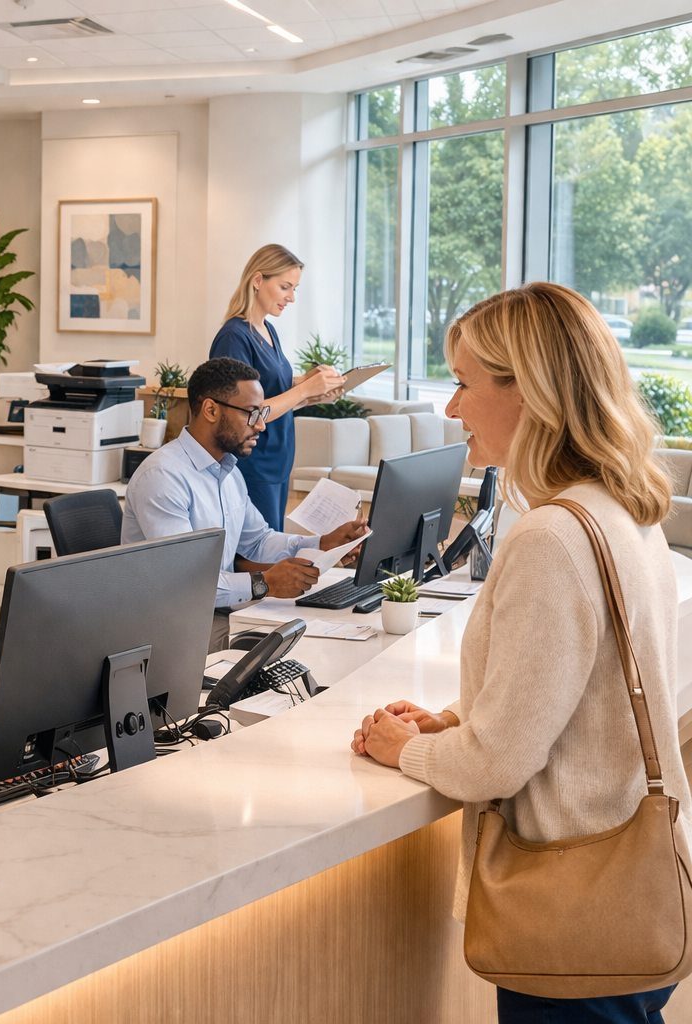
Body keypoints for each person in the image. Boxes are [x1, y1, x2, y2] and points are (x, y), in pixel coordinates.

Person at [350, 283, 690, 1024]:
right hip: (635, 882)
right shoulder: (623, 512)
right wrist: (453, 721)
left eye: (465, 384)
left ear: (529, 391)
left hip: (575, 905)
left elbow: (495, 767)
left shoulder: (550, 538)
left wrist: (402, 748)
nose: (451, 408)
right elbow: (584, 696)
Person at [123, 357, 367, 653]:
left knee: (316, 639)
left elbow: (258, 541)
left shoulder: (229, 471)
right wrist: (262, 583)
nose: (262, 425)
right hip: (170, 631)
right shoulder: (162, 477)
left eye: (262, 412)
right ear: (211, 410)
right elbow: (188, 581)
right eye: (252, 414)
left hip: (214, 615)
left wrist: (322, 542)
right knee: (305, 648)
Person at [209, 244, 346, 530]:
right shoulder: (234, 338)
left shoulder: (267, 330)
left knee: (271, 550)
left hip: (278, 462)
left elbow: (272, 390)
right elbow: (248, 413)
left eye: (294, 288)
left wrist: (312, 387)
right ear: (257, 280)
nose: (292, 298)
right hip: (253, 463)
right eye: (285, 287)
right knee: (261, 558)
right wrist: (305, 389)